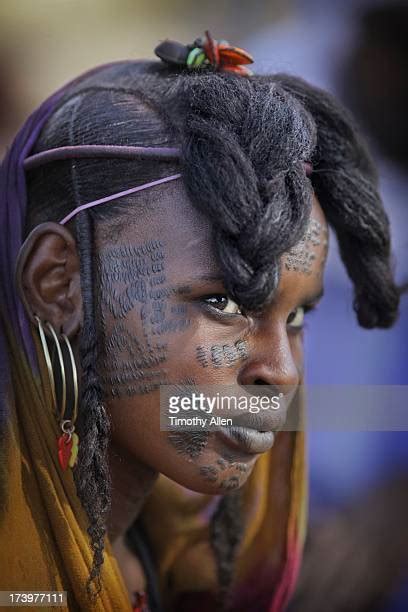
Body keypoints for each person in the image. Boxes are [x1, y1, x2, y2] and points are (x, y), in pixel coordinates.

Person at [0, 32, 402, 612]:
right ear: (57, 284)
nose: (281, 374)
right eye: (224, 303)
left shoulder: (175, 563)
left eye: (298, 315)